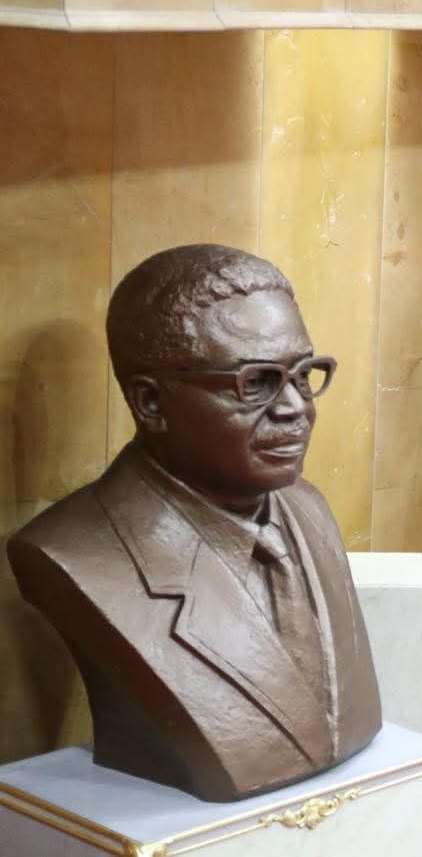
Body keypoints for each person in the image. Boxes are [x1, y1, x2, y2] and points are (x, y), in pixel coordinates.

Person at [6, 245, 381, 802]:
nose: (296, 408)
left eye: (305, 374)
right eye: (256, 383)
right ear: (150, 402)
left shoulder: (310, 512)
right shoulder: (74, 555)